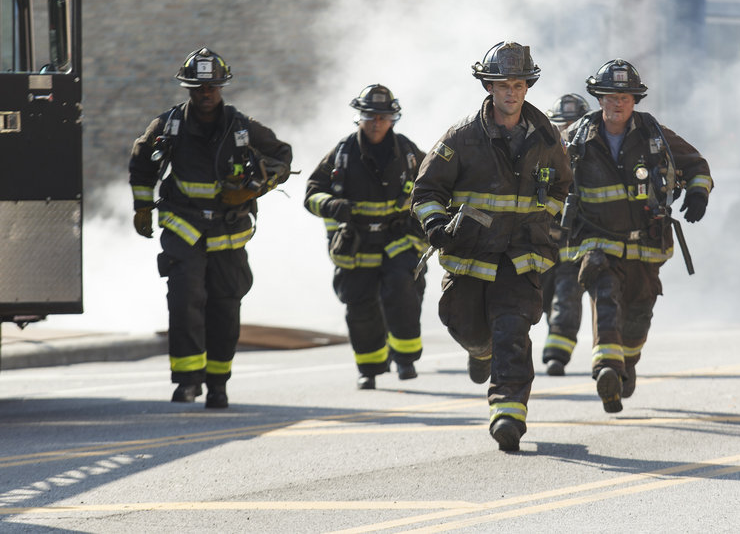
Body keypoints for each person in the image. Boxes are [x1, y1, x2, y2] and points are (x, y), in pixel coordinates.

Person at [411, 41, 571, 452]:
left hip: (520, 257)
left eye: (518, 83)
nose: (510, 92)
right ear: (488, 85)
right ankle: (479, 352)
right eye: (502, 84)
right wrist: (437, 224)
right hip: (471, 255)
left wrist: (543, 219)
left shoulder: (547, 137)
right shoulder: (463, 137)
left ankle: (508, 414)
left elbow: (561, 186)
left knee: (513, 330)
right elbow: (427, 190)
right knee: (464, 324)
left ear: (527, 87)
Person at [129, 48, 292, 408]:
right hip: (183, 227)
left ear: (221, 88)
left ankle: (218, 383)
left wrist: (255, 187)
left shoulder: (243, 127)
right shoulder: (168, 126)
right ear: (188, 88)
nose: (205, 93)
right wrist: (143, 206)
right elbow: (142, 164)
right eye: (198, 87)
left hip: (228, 232)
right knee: (185, 300)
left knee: (224, 307)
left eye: (212, 87)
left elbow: (282, 156)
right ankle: (187, 381)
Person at [561, 59, 712, 413]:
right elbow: (547, 175)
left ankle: (626, 364)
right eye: (611, 96)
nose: (618, 103)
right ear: (599, 98)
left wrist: (698, 192)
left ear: (635, 100)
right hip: (597, 241)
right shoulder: (576, 139)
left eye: (625, 97)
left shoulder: (653, 135)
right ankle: (606, 370)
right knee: (605, 296)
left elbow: (696, 165)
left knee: (639, 315)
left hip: (647, 244)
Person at [304, 85, 427, 389]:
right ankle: (370, 368)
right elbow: (311, 193)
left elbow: (432, 182)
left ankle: (405, 358)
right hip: (356, 244)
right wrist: (331, 204)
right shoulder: (343, 153)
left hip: (397, 240)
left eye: (383, 116)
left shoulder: (408, 152)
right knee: (360, 307)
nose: (376, 122)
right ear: (359, 117)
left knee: (403, 292)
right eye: (370, 116)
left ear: (393, 118)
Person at [540, 94, 591, 376]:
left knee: (567, 295)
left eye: (574, 123)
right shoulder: (540, 153)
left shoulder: (594, 157)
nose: (568, 129)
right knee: (542, 297)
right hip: (543, 242)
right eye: (563, 124)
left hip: (575, 242)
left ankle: (557, 353)